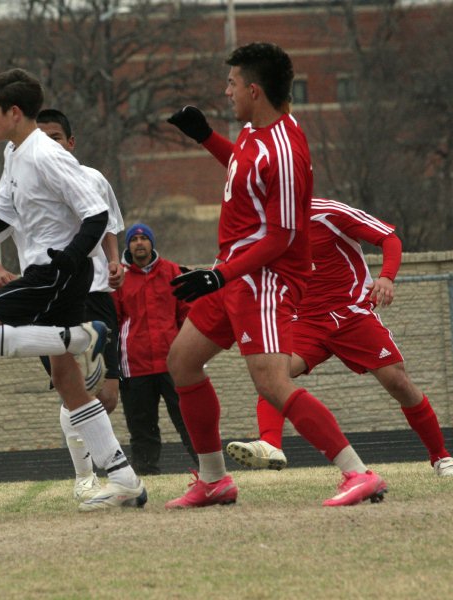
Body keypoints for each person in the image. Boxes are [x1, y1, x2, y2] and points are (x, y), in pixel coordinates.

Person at [164, 42, 386, 508]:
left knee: (272, 382)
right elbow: (246, 172)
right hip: (234, 273)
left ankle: (358, 473)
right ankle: (214, 480)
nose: (226, 92)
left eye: (231, 84)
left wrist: (221, 275)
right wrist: (205, 136)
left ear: (254, 89)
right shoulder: (253, 132)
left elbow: (282, 238)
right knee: (183, 362)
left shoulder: (285, 150)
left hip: (264, 278)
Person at [0, 68, 146, 512]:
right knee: (68, 384)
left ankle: (85, 335)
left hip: (54, 274)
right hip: (54, 274)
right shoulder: (15, 152)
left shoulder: (45, 154)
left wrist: (70, 258)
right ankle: (124, 479)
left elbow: (96, 215)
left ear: (14, 112)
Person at [227, 198, 453, 476]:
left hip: (350, 313)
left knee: (397, 381)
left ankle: (441, 456)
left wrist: (386, 277)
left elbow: (389, 238)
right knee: (273, 373)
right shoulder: (261, 229)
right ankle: (269, 443)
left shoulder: (329, 213)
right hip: (305, 320)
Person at [0, 107, 125, 502]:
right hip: (52, 295)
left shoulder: (90, 178)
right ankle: (89, 476)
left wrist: (113, 260)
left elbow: (107, 224)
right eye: (41, 137)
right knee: (70, 385)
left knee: (106, 394)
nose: (48, 144)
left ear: (70, 143)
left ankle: (114, 471)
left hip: (96, 294)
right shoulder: (22, 181)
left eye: (56, 137)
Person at [114, 223, 198, 474]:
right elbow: (113, 322)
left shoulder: (172, 271)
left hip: (173, 363)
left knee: (189, 420)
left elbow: (187, 315)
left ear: (152, 243)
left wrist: (192, 355)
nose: (139, 243)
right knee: (141, 426)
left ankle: (208, 467)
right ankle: (146, 471)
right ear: (128, 245)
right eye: (134, 239)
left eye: (144, 238)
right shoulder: (119, 278)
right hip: (135, 366)